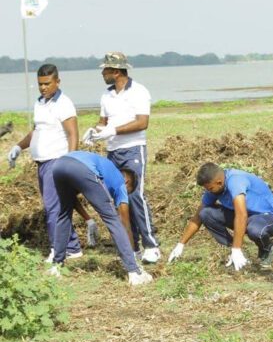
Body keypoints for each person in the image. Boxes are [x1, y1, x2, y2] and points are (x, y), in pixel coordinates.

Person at [7, 64, 97, 261]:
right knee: (58, 206)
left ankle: (59, 250)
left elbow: (73, 134)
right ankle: (71, 247)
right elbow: (36, 132)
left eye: (47, 84)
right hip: (42, 163)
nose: (43, 88)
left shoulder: (64, 104)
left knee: (53, 208)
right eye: (40, 84)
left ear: (58, 81)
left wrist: (70, 160)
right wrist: (18, 147)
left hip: (57, 161)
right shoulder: (40, 103)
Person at [85, 52, 161, 264]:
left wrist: (113, 131)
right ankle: (132, 246)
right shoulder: (107, 95)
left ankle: (151, 245)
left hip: (132, 149)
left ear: (116, 71)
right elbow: (103, 121)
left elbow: (142, 122)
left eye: (106, 70)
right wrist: (95, 131)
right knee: (120, 199)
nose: (103, 73)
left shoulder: (138, 92)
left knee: (136, 195)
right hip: (113, 152)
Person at [49, 151, 152, 286]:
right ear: (127, 182)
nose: (123, 196)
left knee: (63, 215)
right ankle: (134, 272)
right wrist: (134, 252)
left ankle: (56, 266)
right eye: (128, 192)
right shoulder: (121, 182)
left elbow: (72, 201)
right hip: (83, 168)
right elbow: (124, 223)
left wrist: (88, 220)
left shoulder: (107, 168)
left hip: (59, 164)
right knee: (112, 219)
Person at [167, 163, 273, 270]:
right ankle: (236, 252)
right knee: (206, 213)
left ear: (219, 182)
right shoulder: (215, 188)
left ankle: (265, 250)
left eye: (210, 188)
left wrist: (236, 249)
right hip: (246, 216)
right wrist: (180, 244)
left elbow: (241, 215)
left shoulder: (235, 181)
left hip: (268, 217)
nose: (209, 192)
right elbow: (197, 217)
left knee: (255, 230)